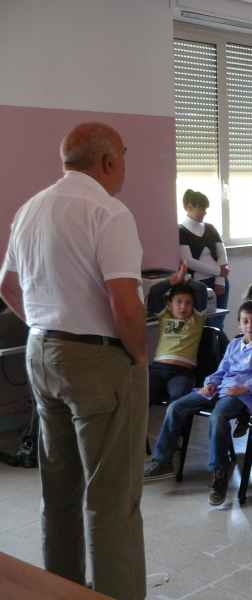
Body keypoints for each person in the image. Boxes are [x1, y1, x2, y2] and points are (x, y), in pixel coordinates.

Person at [0, 122, 147, 599]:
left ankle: (61, 592)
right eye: (123, 155)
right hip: (96, 360)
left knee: (59, 490)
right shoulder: (108, 211)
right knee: (111, 497)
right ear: (107, 161)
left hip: (41, 352)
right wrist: (140, 354)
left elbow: (6, 287)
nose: (125, 164)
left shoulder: (29, 209)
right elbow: (125, 305)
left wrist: (45, 323)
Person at [144, 301, 252, 506]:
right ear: (238, 323)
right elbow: (221, 370)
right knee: (176, 407)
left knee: (218, 417)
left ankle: (220, 474)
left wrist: (245, 387)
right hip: (221, 388)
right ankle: (163, 460)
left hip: (243, 394)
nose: (250, 325)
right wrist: (210, 383)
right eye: (245, 321)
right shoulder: (234, 344)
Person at [148, 261, 208, 406]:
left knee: (179, 403)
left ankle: (173, 430)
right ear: (169, 305)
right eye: (179, 301)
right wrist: (173, 280)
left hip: (181, 373)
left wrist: (185, 279)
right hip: (157, 370)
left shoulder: (196, 318)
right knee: (141, 398)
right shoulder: (165, 317)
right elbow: (155, 292)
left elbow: (201, 289)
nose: (183, 306)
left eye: (189, 303)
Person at [179, 189, 230, 332]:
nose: (204, 212)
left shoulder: (210, 228)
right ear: (190, 207)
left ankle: (223, 353)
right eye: (201, 208)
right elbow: (188, 260)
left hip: (219, 282)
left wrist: (220, 279)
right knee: (211, 325)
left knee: (219, 323)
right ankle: (229, 352)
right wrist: (219, 271)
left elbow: (222, 255)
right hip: (199, 285)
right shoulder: (181, 230)